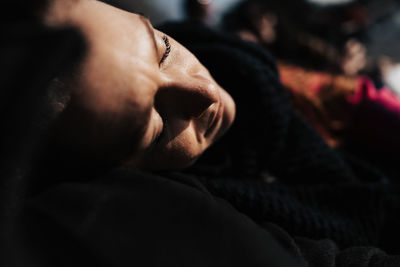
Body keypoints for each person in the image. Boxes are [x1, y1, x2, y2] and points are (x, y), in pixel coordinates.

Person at [1, 0, 400, 266]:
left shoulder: (259, 72)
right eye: (156, 127)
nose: (204, 93)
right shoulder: (199, 215)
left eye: (165, 51)